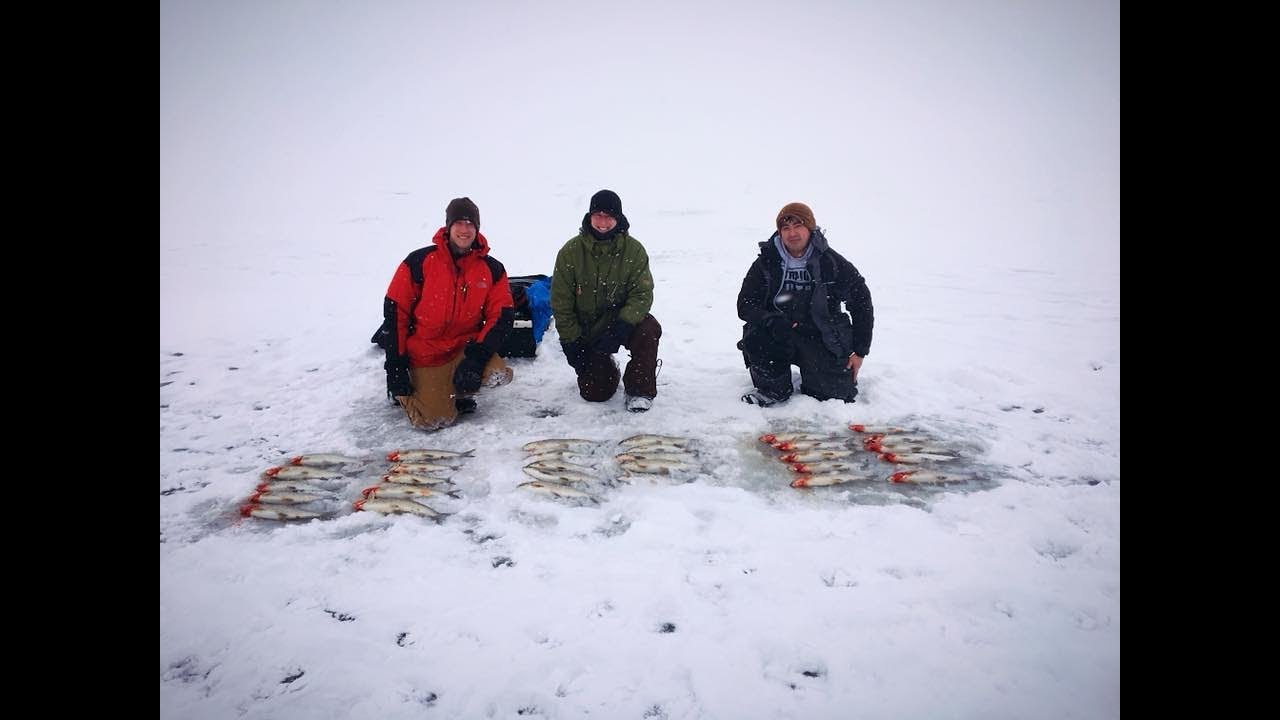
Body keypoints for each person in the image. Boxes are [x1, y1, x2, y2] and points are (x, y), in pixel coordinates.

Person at [375, 197, 515, 430]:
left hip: (464, 348)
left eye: (470, 224)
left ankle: (458, 392)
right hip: (426, 353)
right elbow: (395, 314)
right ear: (448, 226)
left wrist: (476, 360)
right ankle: (407, 394)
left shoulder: (492, 268)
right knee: (434, 420)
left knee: (498, 374)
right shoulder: (419, 261)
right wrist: (395, 367)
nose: (464, 229)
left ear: (477, 229)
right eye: (459, 223)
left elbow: (501, 316)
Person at [736, 202, 873, 406]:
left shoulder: (830, 262)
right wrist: (770, 320)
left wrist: (860, 351)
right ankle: (773, 389)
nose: (792, 233)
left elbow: (861, 302)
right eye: (786, 228)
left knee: (833, 396)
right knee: (757, 337)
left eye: (798, 226)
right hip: (777, 332)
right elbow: (745, 304)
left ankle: (820, 380)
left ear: (810, 228)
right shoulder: (767, 261)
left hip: (821, 334)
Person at [550, 189, 662, 412]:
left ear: (618, 218)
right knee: (595, 393)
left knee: (648, 328)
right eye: (598, 215)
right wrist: (572, 341)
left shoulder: (634, 251)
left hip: (621, 321)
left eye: (609, 216)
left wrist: (621, 326)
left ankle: (639, 389)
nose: (602, 222)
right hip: (588, 329)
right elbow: (561, 302)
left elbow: (642, 294)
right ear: (589, 216)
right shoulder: (570, 252)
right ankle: (609, 367)